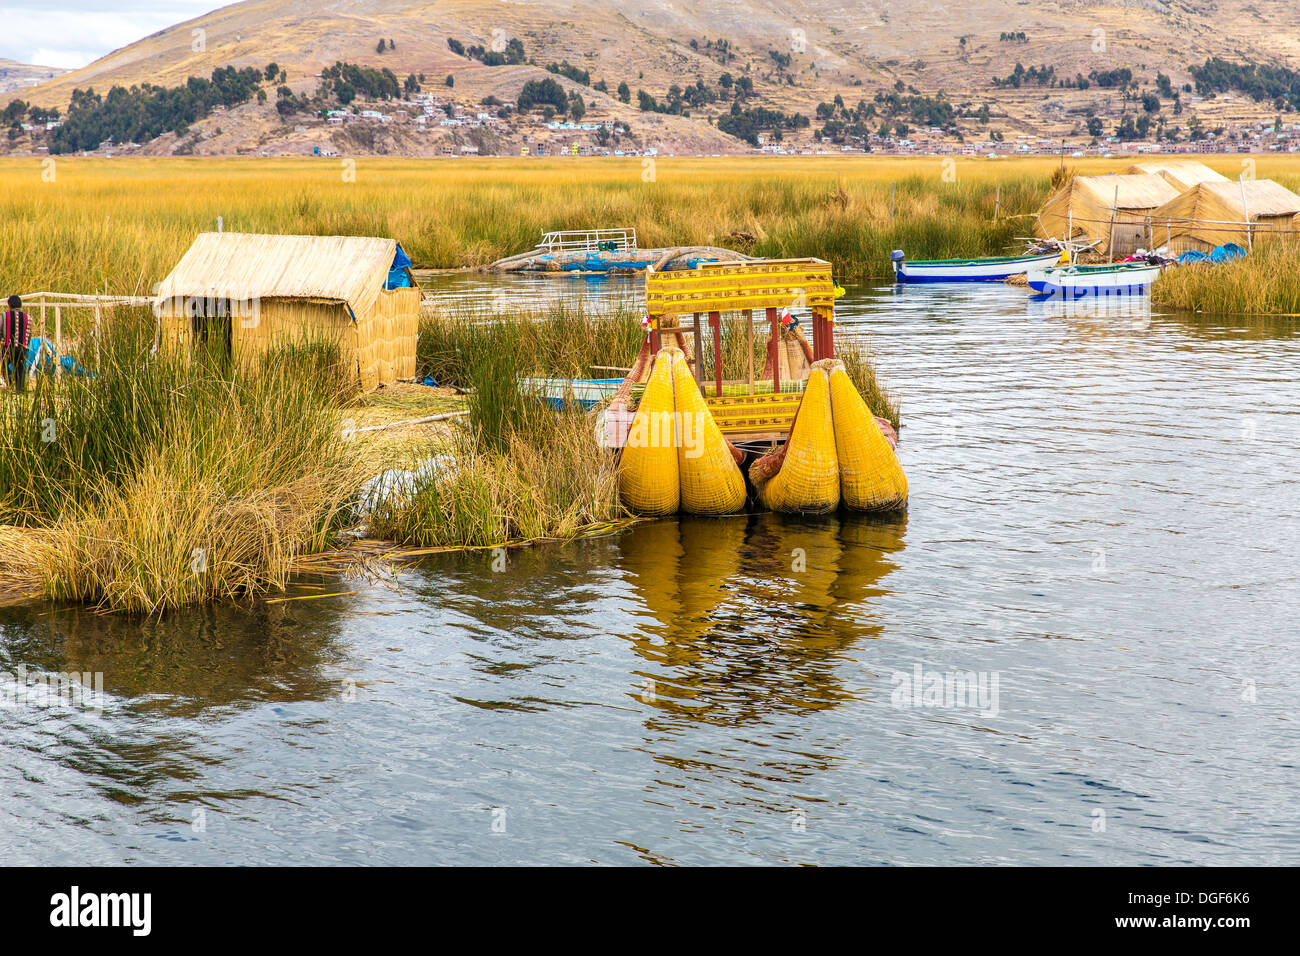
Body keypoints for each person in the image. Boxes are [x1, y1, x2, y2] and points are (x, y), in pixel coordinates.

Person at [3, 295, 31, 392]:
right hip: (22, 348)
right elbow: (28, 335)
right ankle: (20, 389)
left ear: (9, 305)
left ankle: (10, 381)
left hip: (7, 348)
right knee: (20, 368)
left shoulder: (4, 316)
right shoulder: (28, 317)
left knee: (3, 365)